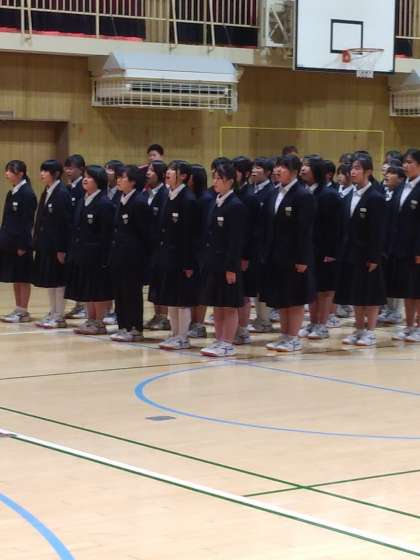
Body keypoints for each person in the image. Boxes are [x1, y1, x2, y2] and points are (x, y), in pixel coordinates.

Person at [260, 154, 316, 353]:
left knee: (295, 298)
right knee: (282, 298)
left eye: (282, 167)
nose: (277, 170)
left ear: (294, 172)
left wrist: (302, 259)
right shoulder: (274, 193)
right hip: (276, 256)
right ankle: (284, 335)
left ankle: (293, 337)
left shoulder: (303, 195)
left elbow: (305, 231)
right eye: (277, 166)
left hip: (295, 257)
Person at [335, 155, 386, 346]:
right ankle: (358, 329)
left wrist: (375, 257)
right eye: (352, 168)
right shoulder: (350, 196)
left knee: (370, 294)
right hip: (350, 253)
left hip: (368, 255)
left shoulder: (376, 197)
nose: (353, 172)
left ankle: (370, 331)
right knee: (355, 293)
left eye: (357, 168)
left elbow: (379, 231)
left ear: (368, 172)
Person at [149, 160, 199, 350]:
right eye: (168, 169)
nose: (168, 172)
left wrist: (189, 264)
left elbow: (191, 235)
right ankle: (174, 333)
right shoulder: (167, 195)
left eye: (173, 170)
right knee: (171, 298)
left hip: (182, 259)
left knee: (182, 300)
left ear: (183, 176)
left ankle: (183, 337)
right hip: (167, 257)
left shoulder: (188, 199)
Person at [199, 161, 247, 357]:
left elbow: (235, 241)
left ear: (230, 181)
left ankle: (227, 342)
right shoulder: (215, 202)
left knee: (229, 305)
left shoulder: (236, 206)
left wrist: (231, 268)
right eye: (215, 178)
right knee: (217, 304)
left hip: (227, 264)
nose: (215, 182)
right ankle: (219, 340)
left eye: (219, 178)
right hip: (213, 263)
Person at [65, 165, 115, 335]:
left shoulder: (105, 204)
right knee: (87, 289)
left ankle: (99, 322)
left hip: (97, 256)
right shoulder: (82, 201)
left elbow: (107, 235)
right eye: (85, 176)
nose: (85, 179)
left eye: (90, 177)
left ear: (99, 181)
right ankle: (90, 319)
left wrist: (104, 259)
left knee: (97, 289)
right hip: (81, 254)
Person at [299, 156, 341, 340]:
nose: (303, 169)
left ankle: (322, 325)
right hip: (309, 248)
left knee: (324, 290)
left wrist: (331, 252)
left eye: (307, 166)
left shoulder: (329, 195)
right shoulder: (304, 192)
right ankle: (313, 322)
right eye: (302, 165)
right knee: (312, 288)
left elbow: (335, 227)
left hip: (325, 250)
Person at [109, 165, 152, 342]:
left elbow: (146, 234)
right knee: (120, 292)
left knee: (132, 293)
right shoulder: (120, 198)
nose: (118, 180)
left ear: (133, 181)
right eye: (118, 177)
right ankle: (123, 326)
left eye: (123, 178)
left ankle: (135, 328)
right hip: (119, 255)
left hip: (133, 258)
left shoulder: (139, 202)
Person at [32, 159, 73, 328]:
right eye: (41, 170)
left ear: (55, 174)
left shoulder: (62, 193)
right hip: (46, 245)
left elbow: (65, 223)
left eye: (45, 171)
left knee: (59, 281)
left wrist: (62, 248)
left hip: (57, 246)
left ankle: (59, 316)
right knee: (50, 280)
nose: (42, 174)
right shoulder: (47, 191)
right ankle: (53, 312)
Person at [387, 150, 420, 342]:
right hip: (401, 247)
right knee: (408, 289)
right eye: (404, 162)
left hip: (416, 249)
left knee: (418, 290)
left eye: (410, 162)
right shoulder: (401, 187)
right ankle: (408, 326)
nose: (405, 166)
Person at [0, 160, 37, 323]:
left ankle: (23, 311)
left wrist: (23, 245)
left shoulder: (27, 194)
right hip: (10, 243)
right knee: (15, 277)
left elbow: (27, 222)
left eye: (10, 171)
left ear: (20, 173)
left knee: (23, 278)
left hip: (21, 244)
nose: (6, 174)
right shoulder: (12, 192)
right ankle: (18, 308)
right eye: (6, 170)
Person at [232, 156, 259, 345]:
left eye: (236, 171)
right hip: (232, 251)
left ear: (246, 173)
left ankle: (243, 330)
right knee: (234, 294)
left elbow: (253, 231)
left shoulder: (250, 197)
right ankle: (233, 328)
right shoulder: (233, 193)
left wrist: (246, 256)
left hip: (246, 254)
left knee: (244, 293)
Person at [248, 157, 276, 334]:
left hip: (264, 245)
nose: (254, 170)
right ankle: (259, 318)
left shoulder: (271, 192)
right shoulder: (252, 189)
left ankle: (265, 320)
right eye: (253, 167)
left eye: (258, 167)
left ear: (267, 172)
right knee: (255, 285)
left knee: (263, 286)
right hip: (252, 245)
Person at [143, 160, 171, 332]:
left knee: (162, 281)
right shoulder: (147, 193)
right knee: (154, 282)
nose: (148, 173)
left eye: (152, 170)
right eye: (148, 169)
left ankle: (164, 317)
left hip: (161, 245)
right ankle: (157, 314)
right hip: (149, 246)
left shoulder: (165, 193)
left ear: (160, 174)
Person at [187, 164, 211, 339]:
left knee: (201, 289)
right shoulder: (190, 197)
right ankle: (191, 322)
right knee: (191, 289)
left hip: (201, 251)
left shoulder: (205, 199)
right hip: (191, 249)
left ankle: (199, 324)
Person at [63, 154, 87, 321]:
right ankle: (79, 304)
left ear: (81, 169)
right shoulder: (68, 187)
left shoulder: (82, 188)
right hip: (71, 237)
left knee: (81, 272)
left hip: (81, 237)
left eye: (71, 168)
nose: (68, 171)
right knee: (73, 273)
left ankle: (84, 305)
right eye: (66, 167)